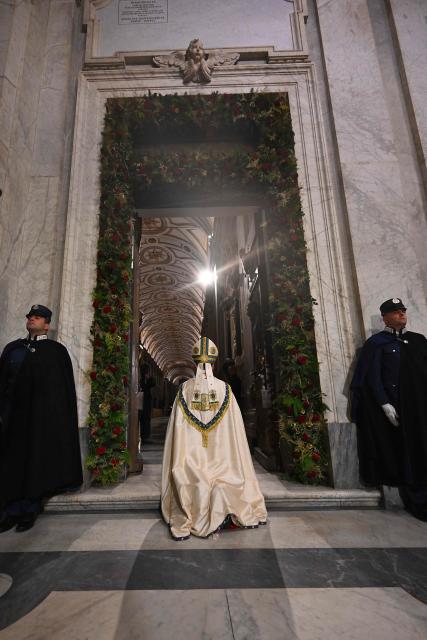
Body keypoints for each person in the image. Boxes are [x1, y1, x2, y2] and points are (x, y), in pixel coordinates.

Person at [161, 337, 267, 540]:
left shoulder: (184, 390)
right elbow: (234, 431)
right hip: (223, 463)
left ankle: (194, 507)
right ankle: (230, 504)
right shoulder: (225, 390)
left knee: (193, 477)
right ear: (214, 362)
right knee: (224, 481)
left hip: (190, 464)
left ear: (194, 363)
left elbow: (177, 430)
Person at [0, 305, 82, 532]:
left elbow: (60, 392)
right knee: (12, 463)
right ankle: (11, 510)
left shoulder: (55, 352)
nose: (31, 320)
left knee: (36, 462)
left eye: (37, 317)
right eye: (30, 317)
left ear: (47, 324)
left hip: (40, 420)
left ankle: (30, 508)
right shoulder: (14, 349)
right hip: (14, 418)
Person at [350, 298, 427, 521]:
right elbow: (371, 377)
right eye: (395, 311)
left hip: (420, 409)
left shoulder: (418, 341)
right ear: (384, 317)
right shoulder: (376, 344)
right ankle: (417, 499)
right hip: (398, 409)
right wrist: (384, 404)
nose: (402, 314)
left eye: (403, 310)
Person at [139, 363, 155, 443]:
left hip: (146, 400)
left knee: (146, 418)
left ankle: (145, 435)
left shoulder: (148, 378)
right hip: (141, 400)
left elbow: (153, 383)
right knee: (142, 419)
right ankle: (142, 434)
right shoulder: (140, 378)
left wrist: (148, 378)